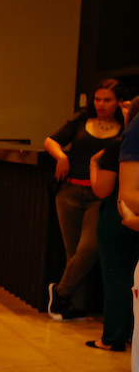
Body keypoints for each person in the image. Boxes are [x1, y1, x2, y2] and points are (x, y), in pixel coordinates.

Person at [44, 80, 126, 320]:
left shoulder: (125, 127)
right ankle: (76, 306)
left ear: (118, 102)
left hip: (99, 196)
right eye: (97, 99)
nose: (100, 104)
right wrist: (61, 157)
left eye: (107, 100)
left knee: (89, 248)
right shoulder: (82, 120)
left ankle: (59, 291)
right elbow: (51, 140)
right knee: (73, 252)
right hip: (69, 192)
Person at [88, 93, 138, 351]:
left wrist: (93, 164)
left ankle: (112, 337)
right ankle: (132, 333)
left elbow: (102, 189)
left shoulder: (118, 145)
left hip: (116, 217)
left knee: (116, 278)